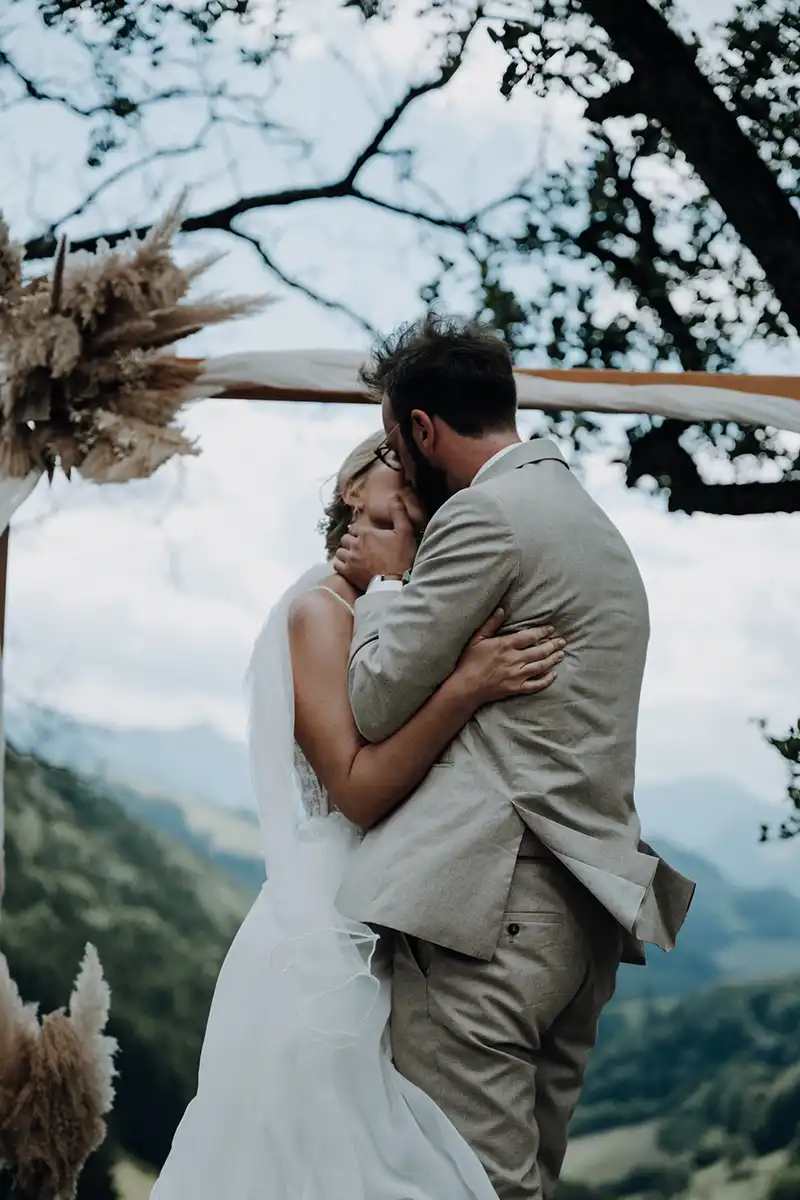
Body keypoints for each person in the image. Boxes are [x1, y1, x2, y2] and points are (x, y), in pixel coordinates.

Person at [333, 313, 696, 1200]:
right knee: (521, 1180)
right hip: (580, 917)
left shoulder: (484, 516)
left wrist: (382, 596)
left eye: (395, 441)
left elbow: (375, 698)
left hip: (486, 918)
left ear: (420, 429)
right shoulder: (589, 521)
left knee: (460, 1183)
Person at [149, 430, 563, 1200]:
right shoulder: (318, 613)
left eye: (415, 499)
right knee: (318, 1142)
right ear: (349, 494)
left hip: (378, 899)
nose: (409, 489)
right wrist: (466, 686)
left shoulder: (377, 615)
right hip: (324, 925)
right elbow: (356, 790)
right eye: (393, 474)